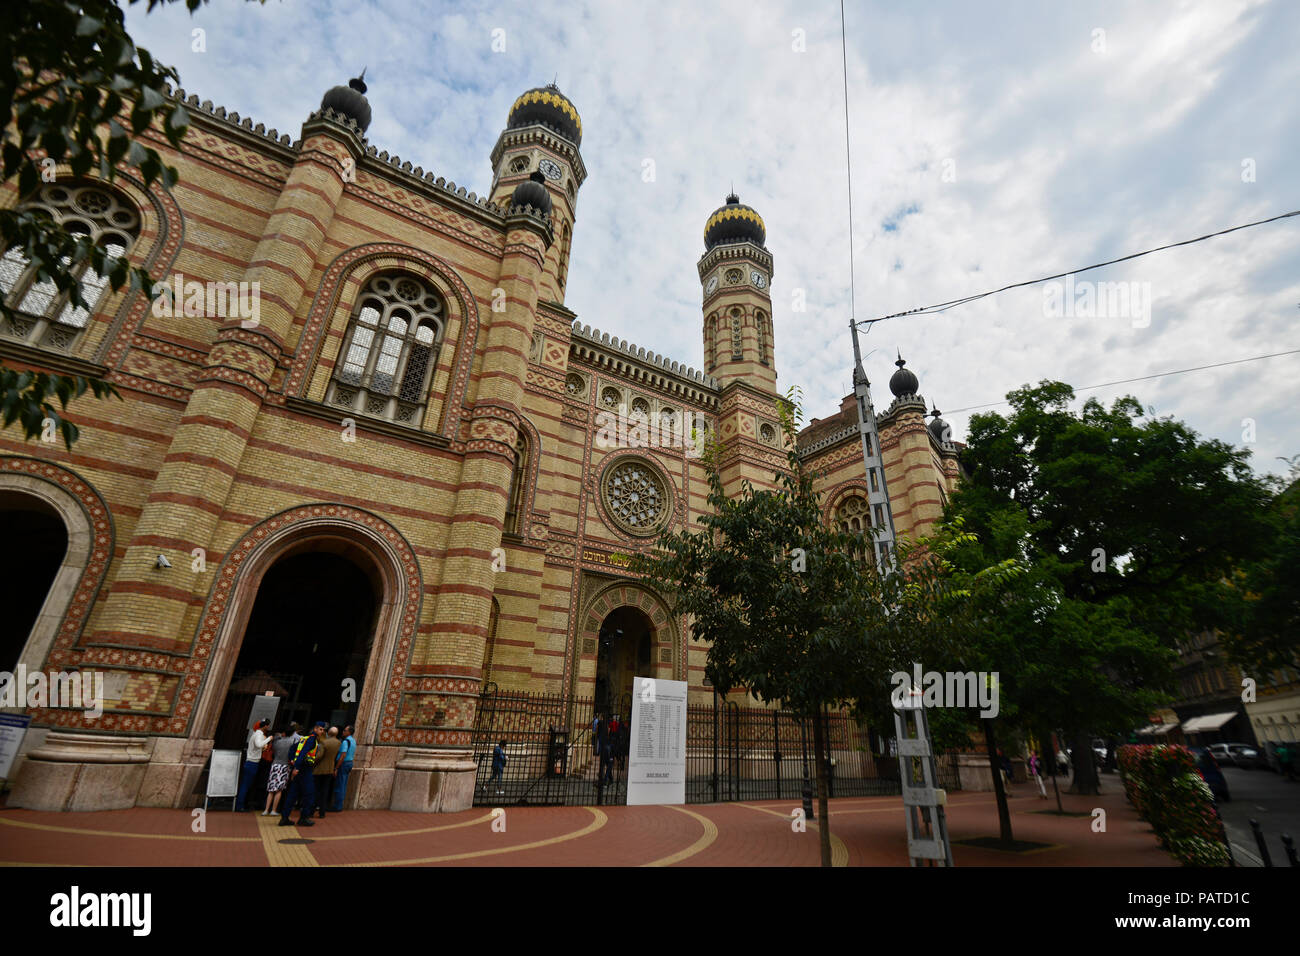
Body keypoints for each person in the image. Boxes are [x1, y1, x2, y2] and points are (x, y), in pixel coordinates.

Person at [279, 721, 324, 827]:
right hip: (305, 770)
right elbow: (303, 753)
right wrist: (297, 767)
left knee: (293, 794)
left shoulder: (304, 738)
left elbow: (292, 749)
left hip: (300, 769)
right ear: (315, 729)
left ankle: (284, 818)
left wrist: (292, 761)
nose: (322, 731)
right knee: (309, 795)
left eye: (323, 730)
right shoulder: (312, 740)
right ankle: (303, 818)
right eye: (321, 729)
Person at [236, 719, 272, 812]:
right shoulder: (259, 734)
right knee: (246, 785)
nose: (268, 727)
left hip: (252, 762)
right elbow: (259, 744)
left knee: (246, 784)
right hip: (252, 762)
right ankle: (240, 806)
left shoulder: (256, 734)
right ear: (265, 726)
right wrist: (269, 739)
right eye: (267, 725)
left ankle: (242, 804)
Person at [263, 726, 294, 816]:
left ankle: (266, 809)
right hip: (285, 765)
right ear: (292, 733)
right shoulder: (292, 742)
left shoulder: (277, 742)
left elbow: (273, 750)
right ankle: (274, 810)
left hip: (275, 764)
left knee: (271, 789)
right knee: (279, 790)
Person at [313, 726, 341, 818]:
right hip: (330, 768)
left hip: (320, 768)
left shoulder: (324, 742)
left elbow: (319, 756)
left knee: (316, 790)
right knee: (325, 791)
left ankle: (311, 810)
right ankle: (322, 812)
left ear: (329, 733)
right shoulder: (338, 743)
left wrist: (313, 762)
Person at [332, 725, 356, 812]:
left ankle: (337, 806)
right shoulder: (353, 741)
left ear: (349, 732)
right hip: (349, 763)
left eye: (345, 730)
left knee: (340, 785)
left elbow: (343, 755)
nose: (343, 732)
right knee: (343, 784)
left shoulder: (346, 741)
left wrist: (336, 768)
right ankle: (339, 804)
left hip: (344, 763)